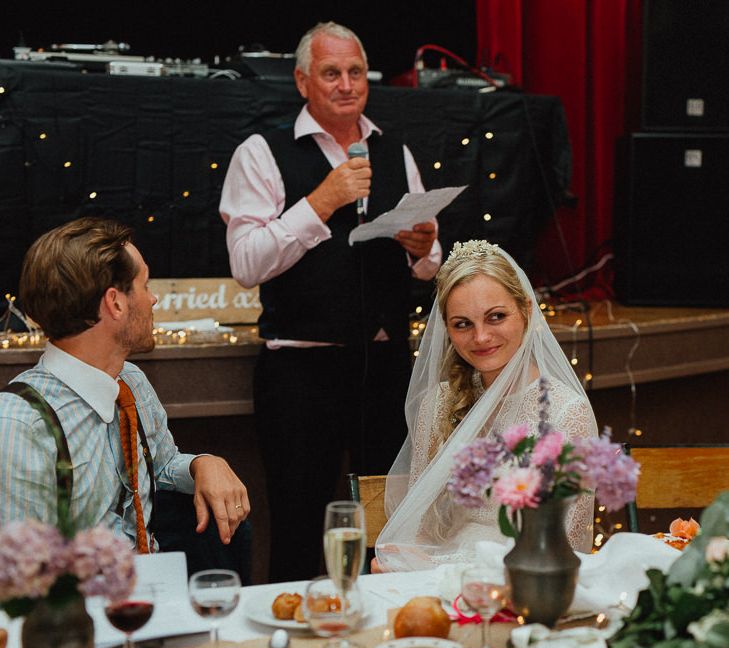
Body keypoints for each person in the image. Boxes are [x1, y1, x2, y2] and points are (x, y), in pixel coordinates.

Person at [219, 21, 442, 582]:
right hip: (300, 370)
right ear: (302, 81)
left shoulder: (394, 149)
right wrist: (320, 202)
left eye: (355, 72)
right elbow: (246, 263)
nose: (346, 84)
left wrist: (422, 247)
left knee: (389, 527)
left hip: (385, 366)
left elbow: (430, 260)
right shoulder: (262, 152)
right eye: (331, 73)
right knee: (298, 526)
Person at [0, 217, 250, 553]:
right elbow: (19, 579)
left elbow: (159, 467)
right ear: (115, 302)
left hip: (151, 591)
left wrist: (202, 464)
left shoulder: (130, 381)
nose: (153, 300)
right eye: (145, 285)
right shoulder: (20, 425)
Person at [374, 239, 598, 571]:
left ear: (526, 310)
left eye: (495, 317)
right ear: (447, 328)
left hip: (521, 587)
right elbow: (419, 527)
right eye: (462, 323)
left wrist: (444, 568)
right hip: (439, 585)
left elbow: (563, 545)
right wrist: (405, 561)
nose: (480, 337)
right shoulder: (438, 403)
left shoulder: (567, 415)